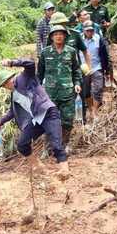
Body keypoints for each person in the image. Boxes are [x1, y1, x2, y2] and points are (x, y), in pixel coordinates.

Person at [0, 59, 69, 179]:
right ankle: (39, 166)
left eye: (7, 82)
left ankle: (65, 171)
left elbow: (30, 64)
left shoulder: (24, 77)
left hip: (48, 113)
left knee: (55, 144)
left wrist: (12, 63)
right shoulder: (14, 94)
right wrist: (1, 121)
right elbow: (12, 111)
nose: (7, 85)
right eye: (4, 85)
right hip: (36, 120)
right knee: (22, 145)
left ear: (11, 77)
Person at [37, 25, 83, 153]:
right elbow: (40, 73)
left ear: (65, 36)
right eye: (55, 34)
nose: (58, 36)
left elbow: (76, 70)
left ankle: (65, 144)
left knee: (67, 121)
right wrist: (37, 89)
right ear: (51, 37)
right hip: (50, 94)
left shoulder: (71, 51)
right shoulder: (45, 52)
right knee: (49, 121)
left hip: (68, 93)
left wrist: (77, 83)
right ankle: (46, 148)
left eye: (61, 34)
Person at [79, 20, 112, 115]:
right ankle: (90, 108)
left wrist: (107, 71)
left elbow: (104, 55)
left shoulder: (99, 39)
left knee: (98, 87)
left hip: (96, 67)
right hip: (84, 68)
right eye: (87, 30)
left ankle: (94, 110)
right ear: (83, 30)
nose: (89, 32)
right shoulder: (79, 39)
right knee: (85, 90)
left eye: (91, 30)